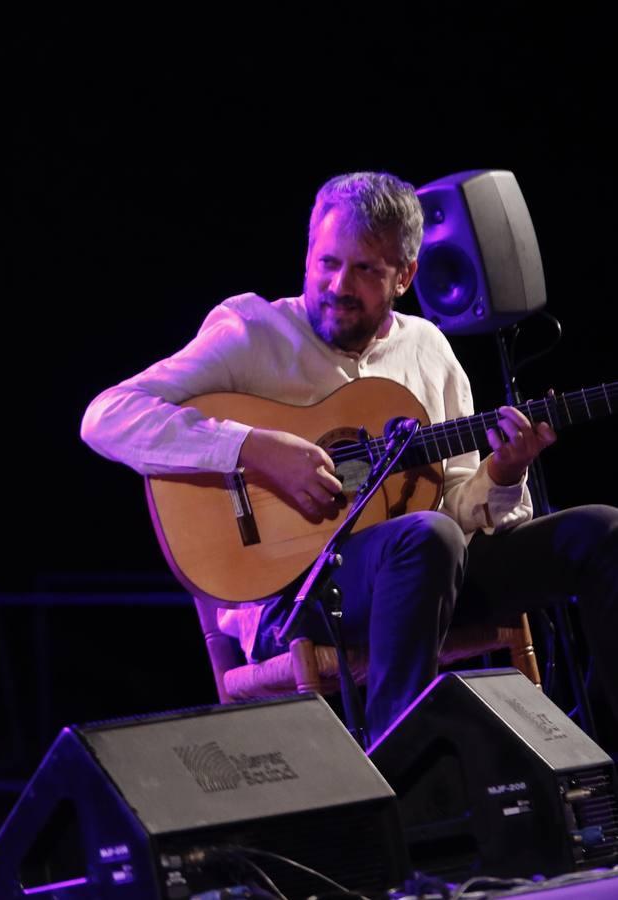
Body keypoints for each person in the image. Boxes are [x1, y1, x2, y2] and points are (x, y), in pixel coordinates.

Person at [80, 171, 618, 743]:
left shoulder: (427, 350)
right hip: (297, 598)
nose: (339, 284)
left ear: (405, 277)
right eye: (327, 262)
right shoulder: (253, 334)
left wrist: (503, 475)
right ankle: (401, 768)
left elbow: (460, 507)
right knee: (428, 537)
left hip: (430, 577)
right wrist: (251, 448)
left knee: (601, 531)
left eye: (366, 270)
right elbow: (106, 415)